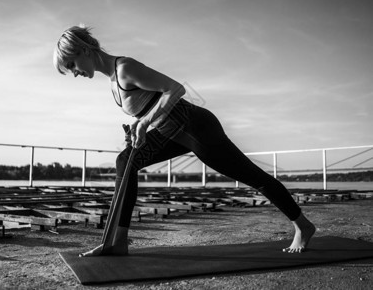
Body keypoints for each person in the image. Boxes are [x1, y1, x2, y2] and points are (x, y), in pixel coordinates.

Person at [53, 25, 316, 256]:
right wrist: (137, 125)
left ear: (84, 50)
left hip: (196, 127)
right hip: (171, 132)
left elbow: (175, 89)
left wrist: (144, 122)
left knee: (251, 176)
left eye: (72, 65)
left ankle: (302, 225)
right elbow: (149, 105)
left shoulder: (125, 68)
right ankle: (118, 242)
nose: (75, 73)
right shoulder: (113, 82)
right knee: (126, 161)